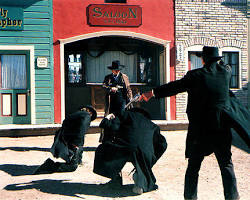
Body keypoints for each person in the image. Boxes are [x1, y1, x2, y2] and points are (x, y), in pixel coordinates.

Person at [140, 46, 250, 200]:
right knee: (226, 164)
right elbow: (225, 66)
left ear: (203, 59)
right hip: (221, 128)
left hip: (201, 129)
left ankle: (190, 198)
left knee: (194, 165)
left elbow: (174, 87)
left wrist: (152, 92)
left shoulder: (195, 76)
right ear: (217, 59)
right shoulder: (226, 72)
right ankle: (232, 197)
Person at [93, 107, 167, 194]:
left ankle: (115, 179)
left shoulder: (126, 115)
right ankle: (141, 180)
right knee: (141, 156)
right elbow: (163, 144)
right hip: (145, 154)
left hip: (125, 149)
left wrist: (107, 118)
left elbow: (109, 126)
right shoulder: (153, 125)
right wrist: (152, 158)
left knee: (102, 149)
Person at [33, 105, 97, 174]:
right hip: (73, 142)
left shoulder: (76, 116)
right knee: (72, 167)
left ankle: (51, 164)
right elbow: (82, 131)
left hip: (68, 140)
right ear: (90, 112)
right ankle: (50, 165)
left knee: (73, 162)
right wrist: (76, 145)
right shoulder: (86, 116)